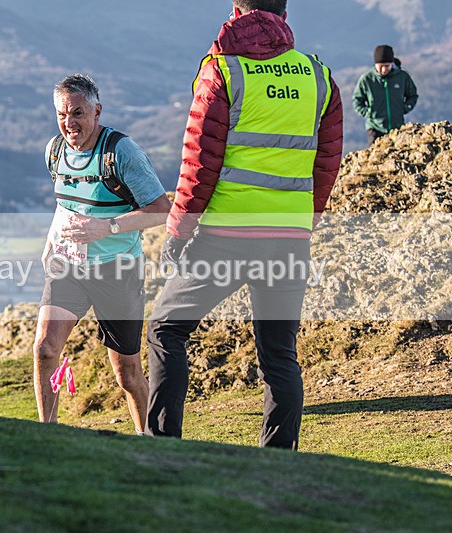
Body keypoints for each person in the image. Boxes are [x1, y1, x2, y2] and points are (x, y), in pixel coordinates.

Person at [146, 0, 343, 449]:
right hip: (289, 238)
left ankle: (162, 448)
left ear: (236, 10)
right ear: (284, 13)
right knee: (279, 355)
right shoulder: (318, 77)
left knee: (166, 329)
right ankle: (277, 460)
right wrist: (304, 223)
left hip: (226, 236)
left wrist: (178, 230)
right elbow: (326, 164)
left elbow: (199, 164)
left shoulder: (223, 72)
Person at [34, 74, 171, 433]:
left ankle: (146, 437)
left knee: (127, 373)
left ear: (97, 111)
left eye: (77, 113)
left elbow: (161, 210)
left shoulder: (121, 152)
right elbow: (65, 203)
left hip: (117, 270)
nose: (69, 122)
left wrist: (106, 227)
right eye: (62, 114)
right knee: (45, 349)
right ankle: (46, 435)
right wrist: (50, 240)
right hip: (69, 267)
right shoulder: (55, 151)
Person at [352, 44, 418, 145]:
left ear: (392, 63)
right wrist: (369, 113)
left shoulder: (402, 77)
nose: (383, 69)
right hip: (375, 128)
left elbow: (412, 95)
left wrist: (405, 108)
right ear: (375, 64)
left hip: (398, 127)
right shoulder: (367, 79)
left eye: (387, 66)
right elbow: (357, 100)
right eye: (381, 66)